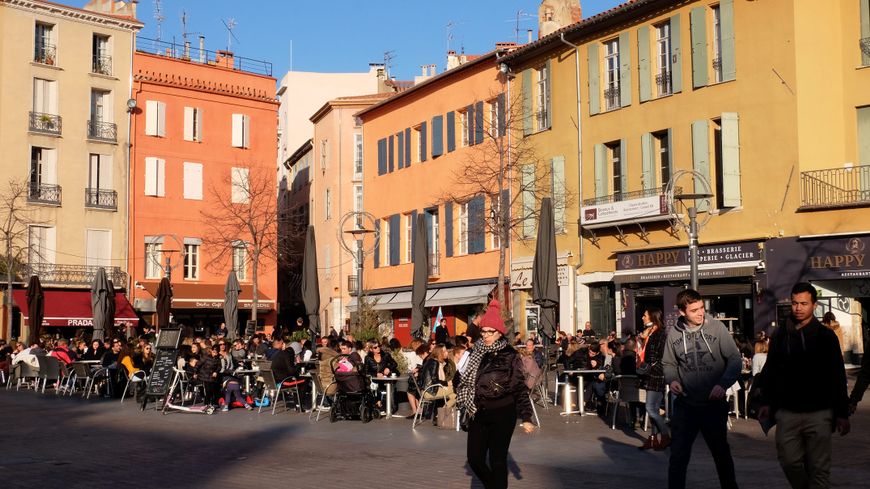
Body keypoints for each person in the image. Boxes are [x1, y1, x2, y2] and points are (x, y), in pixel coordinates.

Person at [756, 282, 850, 488]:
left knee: (819, 468)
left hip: (820, 412)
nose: (798, 308)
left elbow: (837, 376)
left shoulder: (826, 337)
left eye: (804, 303)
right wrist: (766, 402)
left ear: (814, 305)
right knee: (789, 461)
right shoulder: (781, 335)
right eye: (795, 303)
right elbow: (770, 370)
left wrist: (842, 413)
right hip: (787, 411)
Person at [662, 288, 741, 489]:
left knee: (721, 454)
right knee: (678, 456)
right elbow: (668, 363)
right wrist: (672, 380)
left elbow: (734, 359)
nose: (700, 313)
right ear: (682, 312)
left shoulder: (717, 328)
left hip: (713, 405)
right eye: (694, 310)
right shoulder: (673, 333)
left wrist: (723, 384)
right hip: (686, 405)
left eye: (701, 308)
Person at [456, 299, 534, 489]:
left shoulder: (510, 355)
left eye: (490, 332)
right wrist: (459, 380)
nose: (485, 335)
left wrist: (526, 416)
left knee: (498, 461)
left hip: (503, 412)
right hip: (478, 411)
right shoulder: (475, 352)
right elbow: (459, 378)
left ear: (499, 332)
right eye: (483, 331)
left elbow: (519, 386)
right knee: (474, 459)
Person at [637, 307, 670, 451]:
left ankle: (665, 436)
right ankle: (652, 439)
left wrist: (651, 366)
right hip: (650, 374)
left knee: (650, 408)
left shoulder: (660, 334)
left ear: (652, 317)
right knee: (654, 409)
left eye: (644, 315)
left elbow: (662, 356)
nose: (642, 318)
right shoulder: (650, 333)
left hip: (657, 374)